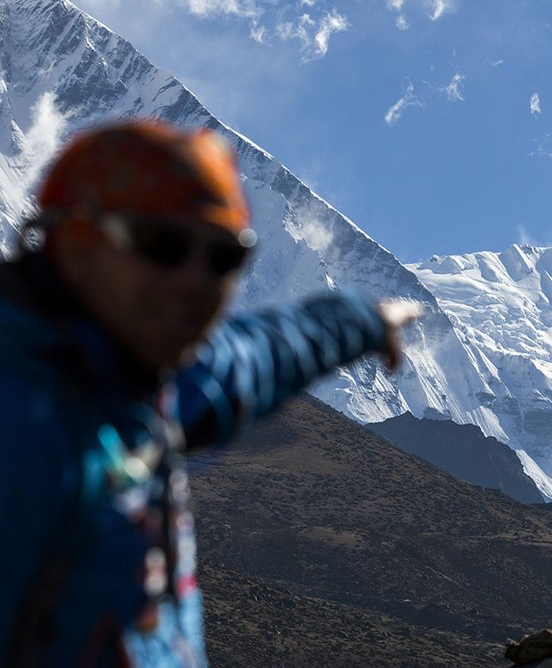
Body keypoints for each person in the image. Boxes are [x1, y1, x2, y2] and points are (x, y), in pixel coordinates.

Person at [0, 119, 419, 667]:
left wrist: (362, 320)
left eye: (224, 256)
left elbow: (261, 355)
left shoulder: (144, 379)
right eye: (163, 245)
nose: (197, 279)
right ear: (77, 244)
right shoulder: (21, 426)